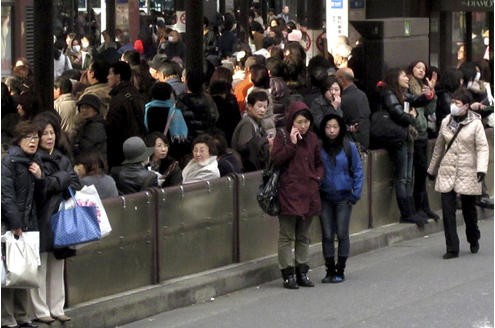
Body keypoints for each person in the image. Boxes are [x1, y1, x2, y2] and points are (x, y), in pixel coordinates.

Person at [31, 112, 81, 324]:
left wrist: (52, 181)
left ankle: (57, 307)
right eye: (45, 134)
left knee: (57, 264)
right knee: (41, 264)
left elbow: (76, 184)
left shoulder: (63, 157)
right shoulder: (33, 159)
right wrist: (61, 179)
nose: (49, 137)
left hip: (61, 215)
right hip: (41, 216)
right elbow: (40, 189)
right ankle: (41, 310)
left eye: (52, 132)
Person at [427, 88, 489, 259]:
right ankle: (452, 247)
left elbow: (482, 148)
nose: (453, 106)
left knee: (469, 209)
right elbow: (439, 148)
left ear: (466, 106)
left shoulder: (475, 124)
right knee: (448, 211)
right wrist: (432, 170)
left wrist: (481, 169)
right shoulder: (446, 122)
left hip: (468, 170)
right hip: (448, 170)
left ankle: (473, 236)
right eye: (452, 102)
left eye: (457, 103)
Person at [270, 101, 324, 289]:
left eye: (306, 122)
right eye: (299, 122)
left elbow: (319, 163)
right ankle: (287, 272)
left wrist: (317, 177)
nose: (303, 126)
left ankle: (302, 270)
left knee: (303, 235)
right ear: (292, 121)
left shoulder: (313, 139)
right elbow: (276, 159)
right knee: (286, 235)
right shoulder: (283, 136)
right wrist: (292, 145)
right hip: (289, 192)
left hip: (309, 192)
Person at [378, 68, 434, 228]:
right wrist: (411, 117)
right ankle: (406, 213)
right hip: (397, 138)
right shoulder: (389, 94)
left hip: (407, 137)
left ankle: (411, 211)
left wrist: (429, 94)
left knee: (408, 176)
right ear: (395, 78)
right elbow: (397, 113)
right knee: (402, 177)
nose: (407, 78)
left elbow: (417, 100)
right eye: (403, 75)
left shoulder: (403, 94)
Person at [1, 120, 42, 328]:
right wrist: (15, 223)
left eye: (36, 137)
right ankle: (8, 319)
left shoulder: (32, 162)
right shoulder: (9, 162)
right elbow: (6, 195)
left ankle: (22, 316)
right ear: (18, 140)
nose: (33, 141)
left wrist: (40, 176)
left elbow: (38, 196)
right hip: (11, 225)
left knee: (25, 272)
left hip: (28, 224)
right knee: (11, 273)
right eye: (28, 137)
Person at [318, 113, 364, 283]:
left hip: (344, 196)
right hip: (324, 196)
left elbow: (358, 170)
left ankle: (341, 268)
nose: (331, 130)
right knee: (327, 234)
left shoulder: (348, 147)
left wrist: (355, 193)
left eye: (335, 127)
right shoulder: (319, 147)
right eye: (328, 127)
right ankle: (329, 268)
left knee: (342, 233)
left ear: (340, 128)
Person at [406, 60, 440, 222]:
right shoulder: (408, 85)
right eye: (418, 67)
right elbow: (413, 103)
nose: (421, 70)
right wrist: (425, 95)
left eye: (423, 68)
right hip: (414, 133)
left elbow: (430, 110)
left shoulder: (423, 85)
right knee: (416, 173)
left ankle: (424, 207)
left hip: (423, 132)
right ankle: (417, 207)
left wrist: (431, 94)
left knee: (422, 172)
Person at [106, 61, 147, 169]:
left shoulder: (118, 100)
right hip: (138, 147)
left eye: (110, 74)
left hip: (121, 152)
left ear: (118, 77)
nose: (107, 77)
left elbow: (112, 130)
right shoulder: (136, 94)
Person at [231, 91, 273, 172]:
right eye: (259, 106)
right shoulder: (247, 123)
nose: (262, 110)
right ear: (250, 106)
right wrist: (265, 140)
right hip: (246, 169)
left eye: (265, 107)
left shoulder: (259, 122)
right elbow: (243, 146)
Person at [335, 67, 371, 150]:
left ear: (341, 80)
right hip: (364, 140)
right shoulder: (362, 95)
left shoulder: (344, 99)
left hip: (351, 142)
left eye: (336, 79)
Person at [72, 94, 107, 160]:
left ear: (95, 111)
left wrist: (77, 127)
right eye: (82, 107)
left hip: (94, 164)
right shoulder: (87, 124)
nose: (84, 110)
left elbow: (85, 146)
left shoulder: (97, 126)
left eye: (87, 107)